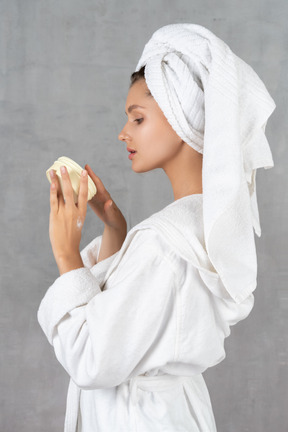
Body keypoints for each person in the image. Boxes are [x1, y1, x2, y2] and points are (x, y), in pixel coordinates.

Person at [38, 24, 276, 432]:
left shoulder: (164, 243)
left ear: (183, 118)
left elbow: (92, 357)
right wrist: (116, 232)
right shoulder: (204, 226)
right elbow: (135, 324)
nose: (124, 132)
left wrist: (66, 255)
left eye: (138, 118)